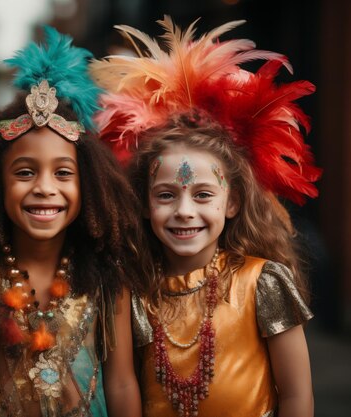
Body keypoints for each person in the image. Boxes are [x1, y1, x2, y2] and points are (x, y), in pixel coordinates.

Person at [90, 17, 321, 417]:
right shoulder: (136, 293)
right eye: (166, 195)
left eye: (202, 195)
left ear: (232, 203)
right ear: (143, 204)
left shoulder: (262, 283)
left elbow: (298, 396)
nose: (184, 211)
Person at [0, 26, 142, 417]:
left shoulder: (107, 275)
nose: (45, 188)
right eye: (25, 173)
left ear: (91, 186)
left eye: (63, 174)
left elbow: (120, 381)